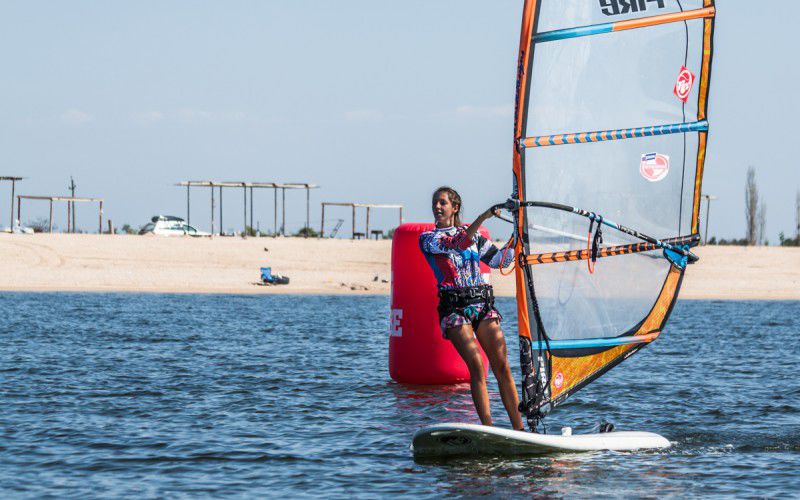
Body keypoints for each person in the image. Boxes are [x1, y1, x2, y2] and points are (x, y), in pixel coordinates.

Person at [419, 186, 524, 431]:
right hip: (454, 308)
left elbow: (499, 261)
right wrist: (484, 216)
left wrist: (518, 234)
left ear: (455, 208)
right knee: (477, 365)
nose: (437, 207)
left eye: (442, 203)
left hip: (482, 304)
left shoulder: (475, 237)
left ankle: (519, 429)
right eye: (435, 203)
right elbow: (457, 243)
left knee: (502, 366)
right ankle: (488, 429)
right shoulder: (428, 239)